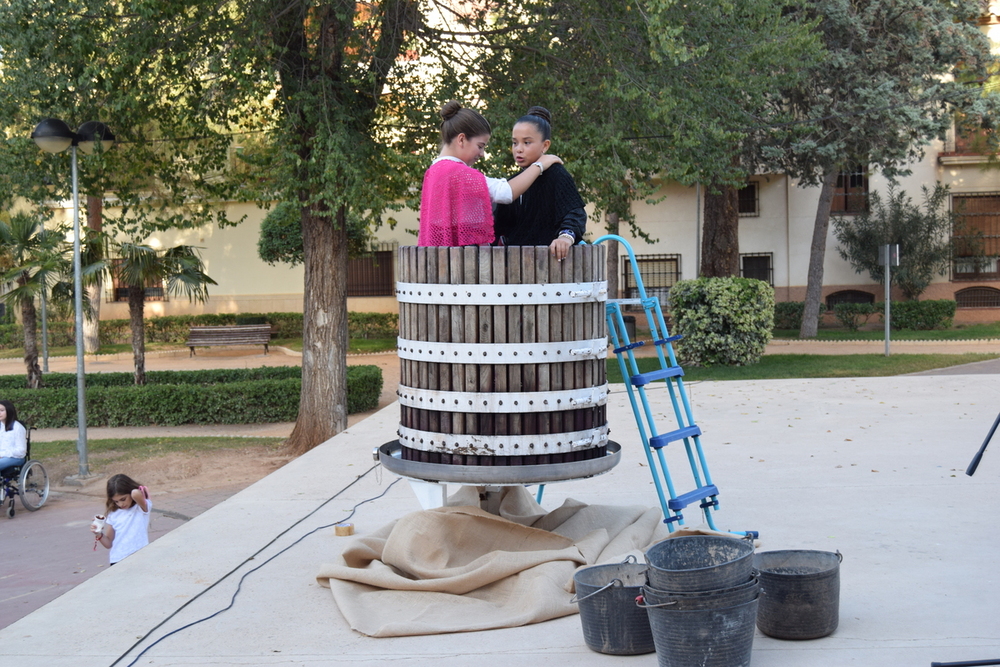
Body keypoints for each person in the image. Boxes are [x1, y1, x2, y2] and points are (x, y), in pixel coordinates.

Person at [418, 100, 563, 247]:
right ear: (461, 139)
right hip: (461, 263)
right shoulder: (457, 173)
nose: (481, 154)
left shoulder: (433, 171)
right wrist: (540, 164)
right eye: (480, 146)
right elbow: (505, 192)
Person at [493, 106, 587, 261]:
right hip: (516, 267)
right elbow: (500, 228)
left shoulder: (557, 174)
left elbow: (575, 213)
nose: (519, 149)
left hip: (551, 266)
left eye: (527, 143)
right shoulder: (513, 183)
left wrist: (565, 238)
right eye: (515, 143)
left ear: (545, 145)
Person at [93, 474, 152, 565]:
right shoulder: (113, 514)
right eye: (116, 501)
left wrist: (137, 489)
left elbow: (136, 493)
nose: (120, 504)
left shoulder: (140, 507)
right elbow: (108, 543)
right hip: (117, 559)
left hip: (140, 555)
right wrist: (98, 533)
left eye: (123, 499)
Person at [0, 400, 27, 472]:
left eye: (2, 410)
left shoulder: (17, 427)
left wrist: (2, 454)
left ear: (9, 411)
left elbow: (21, 451)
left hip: (15, 458)